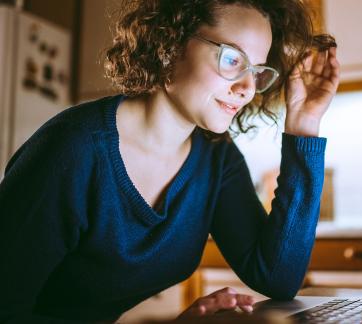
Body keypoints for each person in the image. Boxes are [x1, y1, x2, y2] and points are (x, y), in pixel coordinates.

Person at [0, 0, 339, 322]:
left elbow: (277, 278)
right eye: (233, 60)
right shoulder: (71, 152)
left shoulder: (215, 157)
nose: (248, 88)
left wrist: (303, 127)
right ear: (171, 41)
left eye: (258, 71)